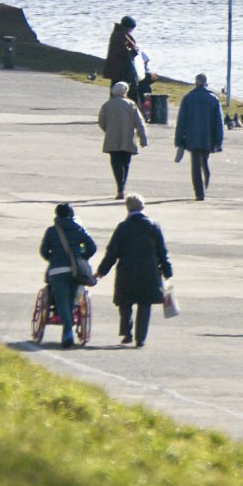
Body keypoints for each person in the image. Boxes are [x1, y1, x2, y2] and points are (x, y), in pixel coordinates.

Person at [94, 194, 172, 348]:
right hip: (149, 272)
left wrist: (101, 272)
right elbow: (162, 252)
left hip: (127, 271)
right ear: (143, 207)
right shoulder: (153, 226)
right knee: (145, 305)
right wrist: (167, 273)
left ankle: (126, 332)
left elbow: (112, 253)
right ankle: (140, 338)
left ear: (127, 208)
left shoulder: (123, 227)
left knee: (125, 302)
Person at [38, 203, 99, 349]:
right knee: (71, 301)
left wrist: (53, 258)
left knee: (61, 301)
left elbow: (44, 251)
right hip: (76, 270)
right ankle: (68, 330)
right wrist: (81, 256)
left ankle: (67, 331)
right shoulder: (79, 229)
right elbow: (92, 247)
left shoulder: (52, 231)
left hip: (57, 270)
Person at [174, 73, 225, 201]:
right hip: (208, 138)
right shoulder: (213, 99)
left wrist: (179, 140)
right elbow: (219, 122)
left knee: (195, 165)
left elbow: (181, 121)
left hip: (192, 137)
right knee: (205, 162)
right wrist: (219, 141)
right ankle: (205, 183)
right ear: (207, 84)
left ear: (195, 83)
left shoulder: (188, 98)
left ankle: (199, 193)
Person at [96, 80, 148, 199]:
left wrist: (108, 130)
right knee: (125, 163)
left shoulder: (107, 105)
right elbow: (139, 123)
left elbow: (101, 122)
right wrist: (143, 138)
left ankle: (119, 186)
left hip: (112, 139)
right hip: (127, 138)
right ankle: (122, 186)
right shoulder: (131, 104)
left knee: (115, 163)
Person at [102, 16, 140, 104]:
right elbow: (123, 52)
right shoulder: (121, 35)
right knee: (121, 89)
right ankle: (122, 107)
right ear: (128, 27)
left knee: (116, 89)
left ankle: (114, 106)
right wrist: (134, 51)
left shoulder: (119, 33)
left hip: (117, 68)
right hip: (120, 69)